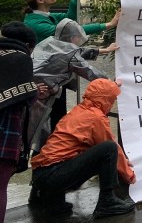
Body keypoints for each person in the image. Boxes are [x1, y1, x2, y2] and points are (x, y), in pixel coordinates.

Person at [22, 0, 121, 138]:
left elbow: (72, 20)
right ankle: (43, 156)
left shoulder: (49, 17)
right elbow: (74, 35)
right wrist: (108, 25)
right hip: (44, 86)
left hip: (55, 83)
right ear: (40, 0)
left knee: (53, 121)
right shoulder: (35, 24)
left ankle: (49, 155)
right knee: (40, 127)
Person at [30, 78, 136, 218]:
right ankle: (107, 202)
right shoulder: (96, 117)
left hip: (41, 175)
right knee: (109, 149)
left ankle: (50, 199)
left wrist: (114, 85)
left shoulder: (79, 110)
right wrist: (130, 176)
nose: (113, 103)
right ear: (105, 99)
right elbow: (111, 148)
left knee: (98, 151)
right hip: (54, 175)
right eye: (112, 99)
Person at [30, 19, 118, 152]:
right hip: (43, 95)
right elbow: (90, 71)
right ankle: (42, 162)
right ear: (73, 37)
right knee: (40, 131)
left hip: (31, 90)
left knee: (33, 129)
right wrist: (112, 83)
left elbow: (77, 51)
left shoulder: (49, 42)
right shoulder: (69, 53)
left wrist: (104, 50)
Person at [0, 22, 41, 223]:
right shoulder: (20, 58)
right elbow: (26, 97)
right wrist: (35, 89)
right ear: (27, 44)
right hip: (5, 132)